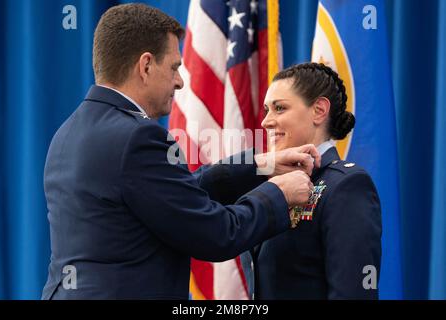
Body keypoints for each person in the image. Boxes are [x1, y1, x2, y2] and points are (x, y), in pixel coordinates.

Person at [41, 4, 320, 300]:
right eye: (174, 67)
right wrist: (278, 193)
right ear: (146, 66)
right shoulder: (137, 137)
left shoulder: (67, 133)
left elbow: (172, 197)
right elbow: (217, 233)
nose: (180, 81)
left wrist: (260, 165)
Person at [242, 62, 382, 300]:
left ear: (319, 110)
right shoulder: (266, 184)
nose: (266, 121)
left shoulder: (347, 186)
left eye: (279, 108)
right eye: (267, 110)